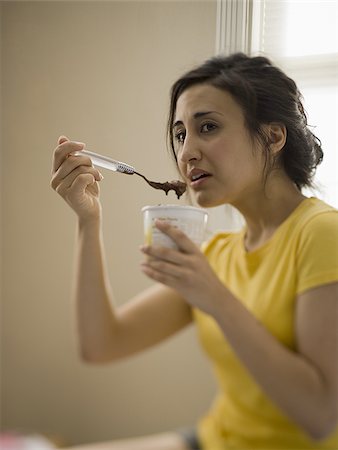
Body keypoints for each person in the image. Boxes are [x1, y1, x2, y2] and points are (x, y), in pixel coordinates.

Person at [50, 53, 338, 450]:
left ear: (273, 137)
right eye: (181, 134)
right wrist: (88, 220)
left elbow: (320, 416)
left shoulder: (322, 233)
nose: (186, 153)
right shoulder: (218, 254)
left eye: (209, 127)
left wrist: (216, 299)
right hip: (212, 440)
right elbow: (101, 344)